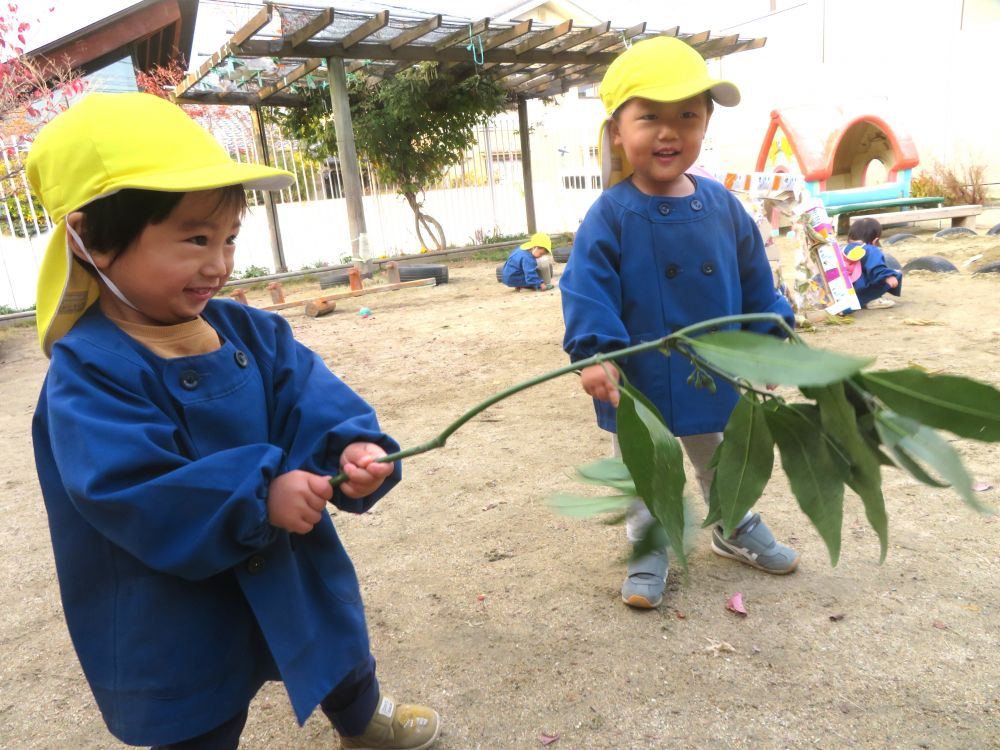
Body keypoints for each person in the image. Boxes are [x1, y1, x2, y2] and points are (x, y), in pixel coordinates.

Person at [27, 93, 440, 750]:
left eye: (228, 239)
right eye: (195, 239)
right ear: (94, 240)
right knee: (199, 706)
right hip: (169, 595)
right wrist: (258, 493)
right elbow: (127, 484)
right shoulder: (88, 370)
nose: (219, 263)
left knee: (330, 637)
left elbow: (306, 393)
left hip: (286, 551)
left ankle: (361, 718)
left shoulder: (249, 330)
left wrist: (349, 446)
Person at [559, 38, 801, 610]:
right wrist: (596, 353)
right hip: (639, 379)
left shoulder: (722, 206)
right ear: (618, 130)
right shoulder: (610, 214)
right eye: (651, 118)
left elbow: (756, 285)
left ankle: (732, 523)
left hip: (709, 371)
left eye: (687, 116)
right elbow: (585, 287)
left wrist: (769, 344)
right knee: (647, 468)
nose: (670, 132)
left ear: (706, 122)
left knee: (720, 454)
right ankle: (650, 543)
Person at [843, 217, 902, 309]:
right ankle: (871, 299)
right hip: (859, 293)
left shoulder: (842, 248)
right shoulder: (871, 250)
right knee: (896, 274)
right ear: (875, 241)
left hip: (842, 290)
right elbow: (876, 268)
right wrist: (888, 276)